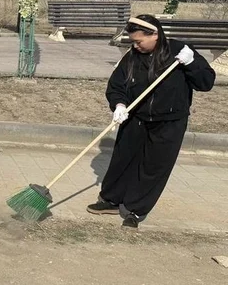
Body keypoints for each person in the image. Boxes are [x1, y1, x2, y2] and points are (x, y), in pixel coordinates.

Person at [86, 15, 215, 228]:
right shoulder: (133, 56)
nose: (135, 46)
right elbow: (117, 85)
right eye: (133, 41)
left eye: (139, 41)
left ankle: (135, 211)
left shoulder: (180, 52)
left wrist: (192, 63)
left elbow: (206, 83)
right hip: (136, 118)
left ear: (155, 34)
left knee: (154, 167)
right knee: (123, 160)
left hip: (170, 122)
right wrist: (119, 104)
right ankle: (110, 199)